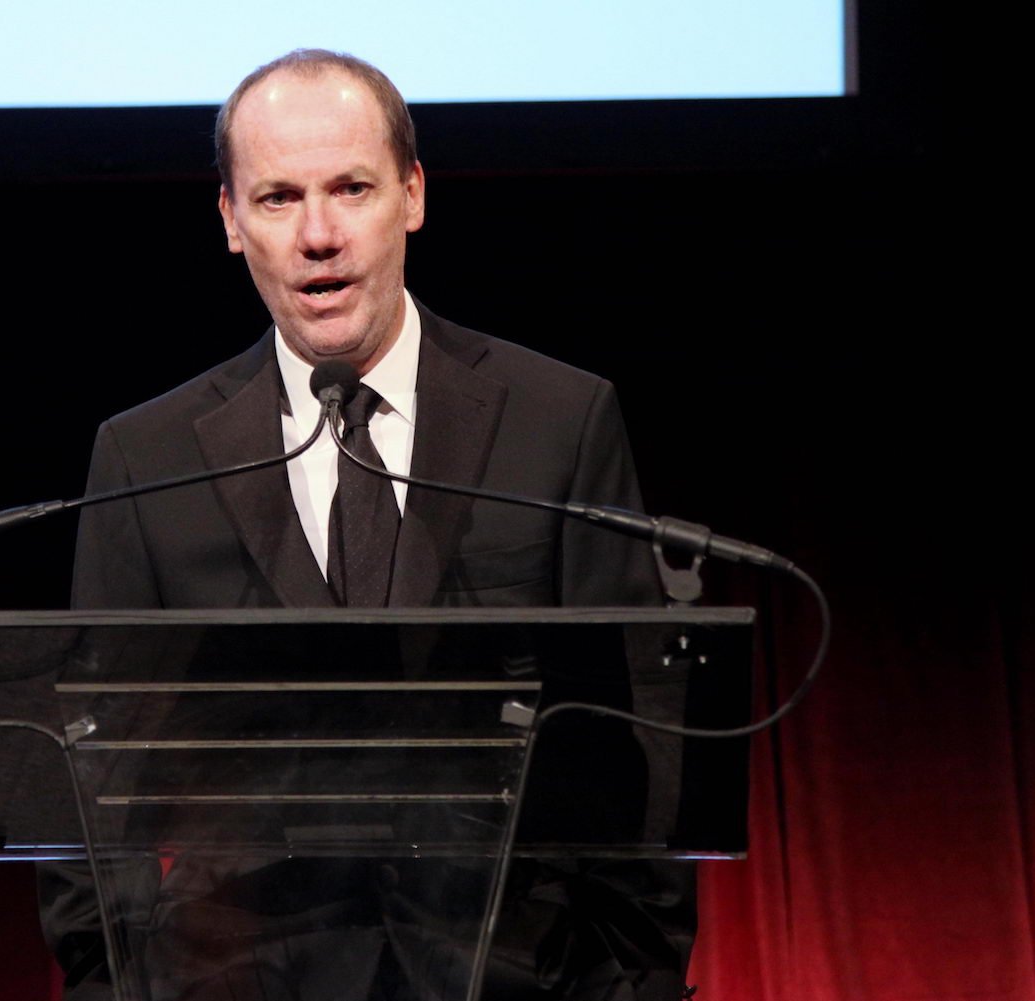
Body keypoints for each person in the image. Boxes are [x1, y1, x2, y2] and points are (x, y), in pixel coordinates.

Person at [40, 49, 695, 1001]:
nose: (318, 234)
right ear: (230, 220)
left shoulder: (560, 420)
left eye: (351, 188)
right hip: (238, 975)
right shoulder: (149, 458)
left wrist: (638, 975)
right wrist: (116, 979)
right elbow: (85, 760)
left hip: (514, 970)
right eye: (277, 198)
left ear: (413, 195)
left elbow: (640, 728)